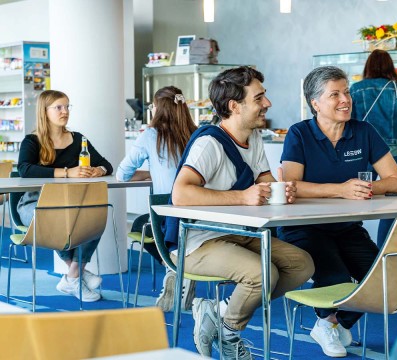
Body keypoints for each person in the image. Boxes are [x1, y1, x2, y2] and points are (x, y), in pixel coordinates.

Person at [167, 66, 314, 360]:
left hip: (235, 232)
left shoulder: (253, 137)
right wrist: (242, 197)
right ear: (235, 106)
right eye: (259, 98)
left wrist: (281, 189)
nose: (267, 104)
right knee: (263, 274)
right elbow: (180, 193)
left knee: (302, 265)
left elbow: (264, 182)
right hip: (196, 241)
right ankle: (230, 333)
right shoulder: (208, 143)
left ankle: (219, 315)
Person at [278, 66, 397, 358]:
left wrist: (365, 188)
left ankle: (332, 323)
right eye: (334, 94)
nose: (345, 99)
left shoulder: (364, 131)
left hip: (346, 227)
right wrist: (341, 189)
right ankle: (328, 322)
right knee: (337, 279)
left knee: (384, 281)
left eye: (346, 92)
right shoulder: (299, 134)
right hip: (304, 228)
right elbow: (290, 184)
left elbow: (395, 180)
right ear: (315, 103)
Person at [17, 90, 113, 302]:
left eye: (67, 106)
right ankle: (76, 274)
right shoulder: (32, 141)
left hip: (70, 203)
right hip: (35, 204)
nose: (65, 111)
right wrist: (67, 172)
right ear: (45, 111)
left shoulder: (79, 139)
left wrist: (99, 171)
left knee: (95, 216)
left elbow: (107, 165)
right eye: (59, 107)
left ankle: (73, 275)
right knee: (59, 220)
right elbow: (25, 169)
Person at [116, 86, 198, 311]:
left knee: (141, 224)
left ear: (157, 109)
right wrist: (156, 170)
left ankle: (175, 267)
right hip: (200, 212)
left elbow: (122, 174)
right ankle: (182, 269)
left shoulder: (151, 135)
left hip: (169, 214)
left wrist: (153, 170)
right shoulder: (196, 132)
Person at [350, 49, 397, 247]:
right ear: (390, 66)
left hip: (363, 149)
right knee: (394, 202)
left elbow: (349, 122)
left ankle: (355, 244)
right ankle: (384, 249)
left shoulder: (356, 88)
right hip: (394, 149)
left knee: (357, 195)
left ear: (367, 66)